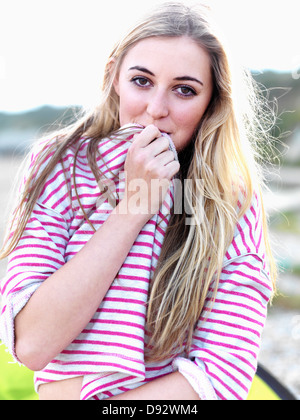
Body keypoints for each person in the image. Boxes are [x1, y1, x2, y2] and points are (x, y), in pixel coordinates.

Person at [0, 2, 277, 400]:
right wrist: (133, 207)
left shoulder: (228, 199)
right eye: (142, 81)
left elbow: (222, 375)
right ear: (113, 75)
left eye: (185, 90)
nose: (156, 110)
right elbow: (31, 344)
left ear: (212, 102)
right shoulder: (59, 164)